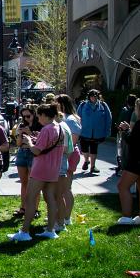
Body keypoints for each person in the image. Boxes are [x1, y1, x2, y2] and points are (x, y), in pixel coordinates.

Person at [9, 104, 65, 241]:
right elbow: (47, 146)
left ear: (45, 116)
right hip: (53, 168)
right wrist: (35, 139)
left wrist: (29, 141)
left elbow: (36, 151)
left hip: (41, 168)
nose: (38, 119)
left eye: (39, 116)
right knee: (50, 198)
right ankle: (50, 230)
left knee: (30, 198)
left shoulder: (46, 129)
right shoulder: (59, 127)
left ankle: (24, 231)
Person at [116, 98, 140, 225]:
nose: (135, 109)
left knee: (122, 186)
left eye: (136, 107)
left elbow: (133, 141)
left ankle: (126, 217)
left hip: (136, 160)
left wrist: (126, 130)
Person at [55, 95, 82, 232]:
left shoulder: (70, 119)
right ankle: (63, 216)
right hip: (67, 154)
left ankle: (66, 217)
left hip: (69, 155)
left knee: (66, 189)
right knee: (65, 188)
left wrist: (64, 158)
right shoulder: (68, 117)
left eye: (56, 103)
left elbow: (73, 141)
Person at [11, 105, 42, 219]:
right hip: (22, 152)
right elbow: (18, 144)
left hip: (33, 153)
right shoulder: (22, 125)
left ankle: (35, 209)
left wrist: (29, 133)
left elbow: (40, 143)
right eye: (24, 117)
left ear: (34, 114)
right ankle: (23, 208)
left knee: (34, 183)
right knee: (24, 183)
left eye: (28, 116)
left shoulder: (39, 125)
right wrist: (19, 134)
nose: (26, 119)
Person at [76, 89, 112, 175]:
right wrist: (77, 129)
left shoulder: (103, 105)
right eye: (92, 96)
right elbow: (77, 117)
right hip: (84, 131)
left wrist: (107, 130)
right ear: (89, 97)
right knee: (84, 148)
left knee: (94, 149)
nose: (93, 98)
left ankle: (93, 166)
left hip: (97, 132)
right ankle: (86, 160)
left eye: (95, 96)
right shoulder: (83, 105)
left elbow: (108, 118)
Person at [117, 94, 137, 172]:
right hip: (129, 133)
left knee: (123, 150)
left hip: (124, 133)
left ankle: (123, 166)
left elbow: (119, 121)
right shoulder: (135, 111)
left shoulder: (125, 110)